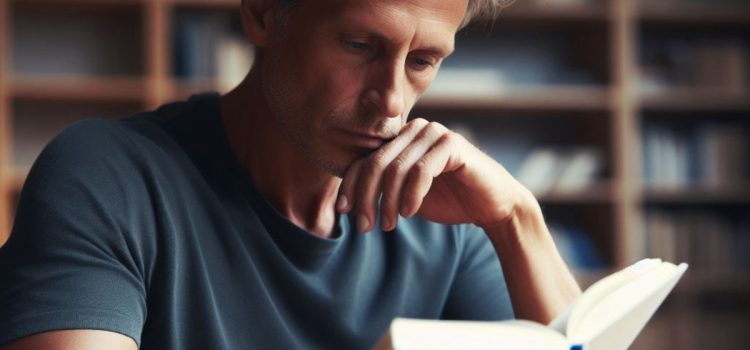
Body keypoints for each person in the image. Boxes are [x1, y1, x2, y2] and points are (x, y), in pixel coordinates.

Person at [0, 0, 581, 349]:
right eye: (359, 44)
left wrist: (515, 219)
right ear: (260, 12)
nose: (391, 101)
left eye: (423, 61)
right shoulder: (107, 178)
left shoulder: (446, 216)